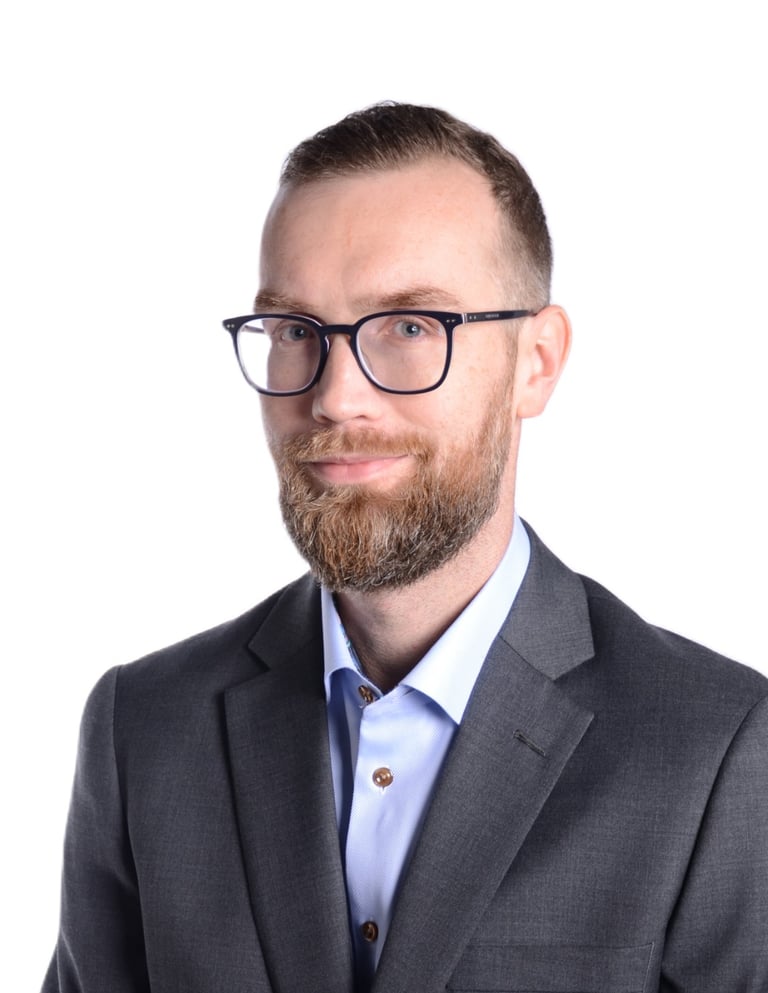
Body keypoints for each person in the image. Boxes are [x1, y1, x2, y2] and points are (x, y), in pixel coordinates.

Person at [43, 103, 768, 993]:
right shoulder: (143, 730)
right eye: (295, 332)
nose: (338, 398)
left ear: (534, 362)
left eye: (412, 326)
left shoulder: (718, 749)